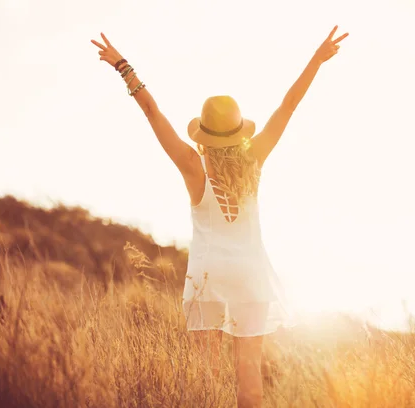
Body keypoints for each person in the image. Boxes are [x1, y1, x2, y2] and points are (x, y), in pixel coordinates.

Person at [91, 25, 348, 408]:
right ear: (239, 133)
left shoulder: (194, 169)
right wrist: (316, 59)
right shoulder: (255, 160)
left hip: (207, 276)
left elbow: (152, 111)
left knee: (206, 382)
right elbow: (287, 106)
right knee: (250, 381)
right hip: (250, 275)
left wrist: (124, 67)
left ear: (203, 136)